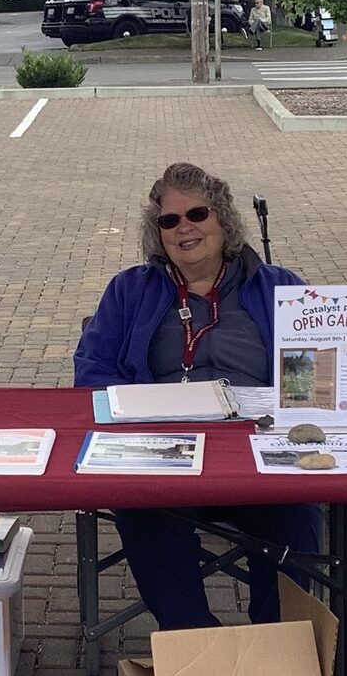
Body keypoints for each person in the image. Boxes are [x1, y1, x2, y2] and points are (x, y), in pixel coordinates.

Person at [73, 161, 320, 630]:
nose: (184, 228)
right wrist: (136, 409)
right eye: (170, 220)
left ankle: (276, 649)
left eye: (197, 215)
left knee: (297, 517)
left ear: (223, 220)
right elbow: (91, 371)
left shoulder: (281, 287)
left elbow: (316, 376)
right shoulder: (129, 290)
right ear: (158, 232)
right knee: (145, 514)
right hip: (164, 452)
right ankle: (195, 644)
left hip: (257, 453)